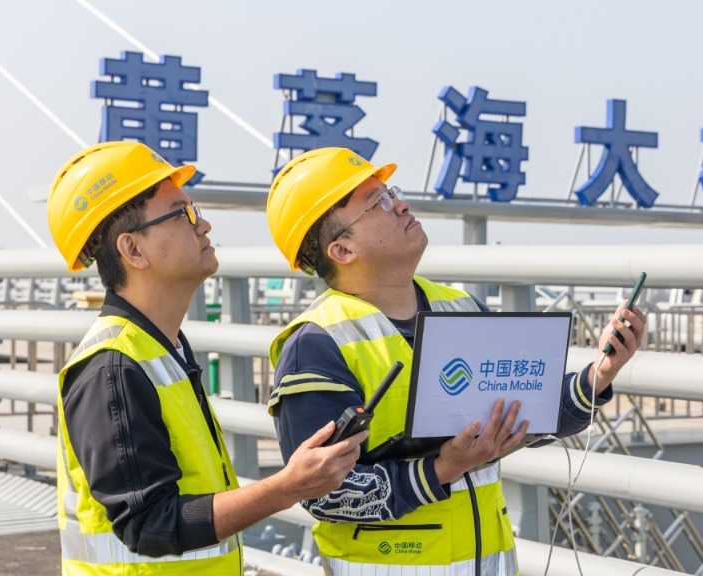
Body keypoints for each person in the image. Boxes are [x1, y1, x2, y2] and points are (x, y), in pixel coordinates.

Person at [264, 147, 646, 574]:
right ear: (342, 250)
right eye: (378, 203)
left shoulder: (459, 307)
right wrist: (444, 467)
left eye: (391, 193)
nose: (401, 205)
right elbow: (325, 494)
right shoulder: (317, 343)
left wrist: (600, 375)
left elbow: (521, 416)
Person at [47, 141, 366, 576]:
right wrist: (288, 486)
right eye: (182, 214)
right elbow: (150, 524)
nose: (204, 224)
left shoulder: (159, 347)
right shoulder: (113, 368)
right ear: (133, 250)